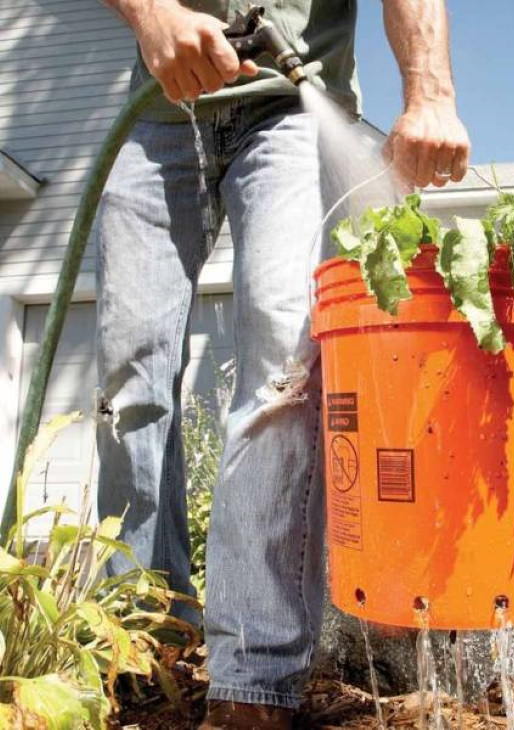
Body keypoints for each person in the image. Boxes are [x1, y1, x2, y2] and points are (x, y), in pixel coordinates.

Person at [99, 1, 470, 728]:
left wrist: (431, 93)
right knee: (128, 381)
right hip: (161, 112)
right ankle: (146, 642)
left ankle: (253, 679)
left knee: (281, 364)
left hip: (294, 110)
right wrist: (155, 17)